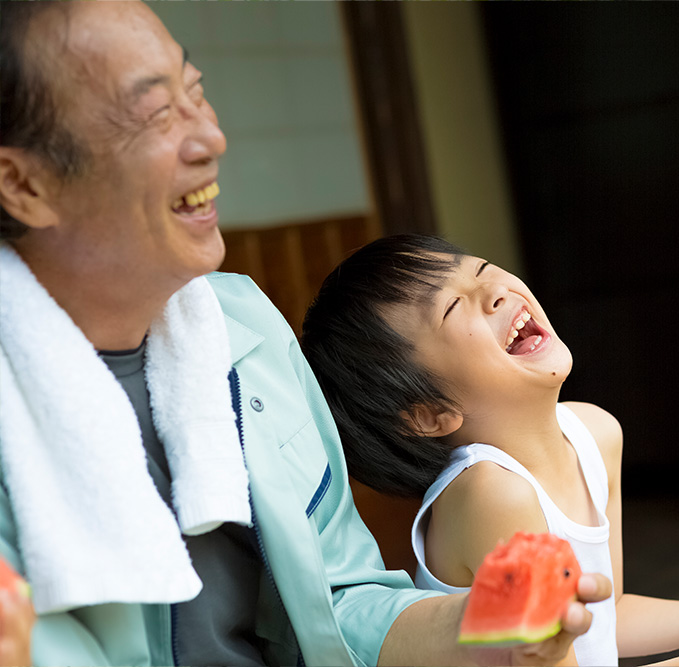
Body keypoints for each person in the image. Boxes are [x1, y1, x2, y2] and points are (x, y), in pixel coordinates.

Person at [0, 3, 611, 665]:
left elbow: (340, 601)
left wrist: (485, 629)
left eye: (196, 93)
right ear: (23, 184)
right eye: (154, 114)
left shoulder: (244, 331)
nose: (209, 138)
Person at [301, 234, 679, 667]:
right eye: (453, 309)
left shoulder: (596, 432)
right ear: (427, 414)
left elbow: (606, 617)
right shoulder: (493, 495)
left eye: (482, 270)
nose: (495, 290)